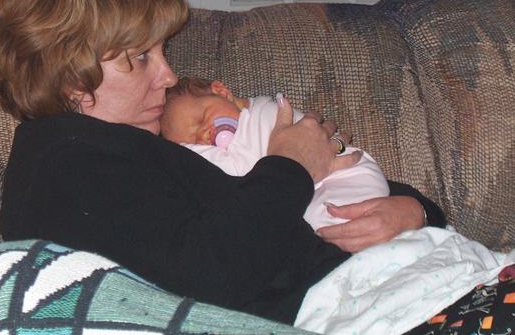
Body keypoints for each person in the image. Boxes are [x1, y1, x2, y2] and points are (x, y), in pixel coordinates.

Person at [0, 0, 445, 325]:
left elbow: (294, 187)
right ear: (72, 77)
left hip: (402, 280)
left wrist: (415, 212)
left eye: (162, 52)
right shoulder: (62, 171)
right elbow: (207, 278)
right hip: (362, 310)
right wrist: (290, 164)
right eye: (141, 57)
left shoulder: (136, 143)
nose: (168, 76)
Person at [159, 77, 390, 231]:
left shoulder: (254, 123)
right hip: (334, 185)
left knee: (323, 229)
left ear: (222, 92)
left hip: (345, 180)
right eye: (191, 141)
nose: (204, 134)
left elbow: (238, 173)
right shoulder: (255, 110)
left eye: (202, 119)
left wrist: (189, 151)